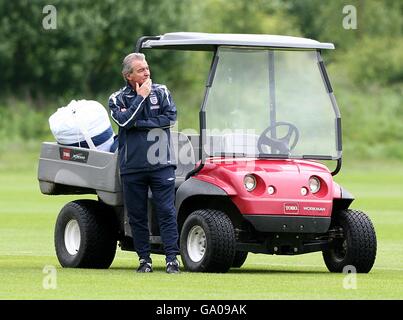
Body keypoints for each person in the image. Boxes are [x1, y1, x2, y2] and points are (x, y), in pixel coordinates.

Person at [108, 53, 180, 274]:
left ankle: (171, 260)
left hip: (161, 164)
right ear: (128, 75)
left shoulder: (162, 91)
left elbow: (170, 118)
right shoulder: (116, 99)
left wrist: (141, 123)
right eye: (141, 70)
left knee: (166, 212)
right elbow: (123, 121)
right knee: (137, 216)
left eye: (147, 68)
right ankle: (144, 261)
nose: (147, 72)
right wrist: (141, 98)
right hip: (133, 167)